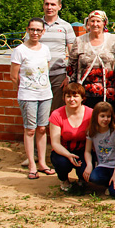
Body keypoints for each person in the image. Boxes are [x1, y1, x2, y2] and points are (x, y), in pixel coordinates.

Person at [10, 17, 55, 179]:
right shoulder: (20, 50)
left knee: (42, 128)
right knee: (30, 129)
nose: (35, 33)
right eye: (32, 29)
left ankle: (42, 162)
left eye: (38, 30)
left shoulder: (45, 49)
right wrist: (25, 91)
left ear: (43, 32)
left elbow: (45, 70)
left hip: (45, 94)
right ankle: (32, 164)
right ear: (27, 30)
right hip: (27, 95)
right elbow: (14, 76)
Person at [67, 10, 115, 108]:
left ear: (104, 23)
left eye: (98, 21)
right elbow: (72, 67)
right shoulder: (79, 41)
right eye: (92, 21)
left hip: (109, 92)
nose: (95, 24)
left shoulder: (113, 40)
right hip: (84, 92)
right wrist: (72, 89)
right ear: (88, 23)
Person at [49, 83, 93, 191]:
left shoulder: (91, 114)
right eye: (68, 96)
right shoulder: (56, 115)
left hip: (84, 151)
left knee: (86, 171)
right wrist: (68, 155)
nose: (71, 99)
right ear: (64, 98)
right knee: (62, 163)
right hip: (63, 151)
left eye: (75, 96)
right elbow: (55, 143)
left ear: (82, 98)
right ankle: (64, 179)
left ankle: (82, 179)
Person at [83, 101, 115, 198]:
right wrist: (89, 165)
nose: (105, 119)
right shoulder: (91, 131)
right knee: (93, 177)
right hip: (104, 165)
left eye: (108, 116)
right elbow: (87, 151)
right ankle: (109, 183)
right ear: (96, 117)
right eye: (102, 116)